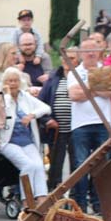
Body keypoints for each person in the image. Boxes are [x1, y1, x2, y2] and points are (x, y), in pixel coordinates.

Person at [67, 35, 111, 213]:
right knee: (81, 166)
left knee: (102, 165)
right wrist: (98, 88)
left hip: (103, 123)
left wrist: (87, 89)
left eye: (93, 49)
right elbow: (74, 96)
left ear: (99, 51)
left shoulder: (106, 69)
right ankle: (81, 205)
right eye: (86, 50)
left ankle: (98, 203)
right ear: (80, 53)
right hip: (80, 125)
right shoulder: (74, 72)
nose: (90, 53)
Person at [0, 68, 51, 199]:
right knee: (28, 165)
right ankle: (27, 200)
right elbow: (6, 112)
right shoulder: (1, 98)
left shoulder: (25, 97)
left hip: (27, 141)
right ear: (5, 82)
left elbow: (46, 108)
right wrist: (8, 95)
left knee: (39, 166)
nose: (13, 83)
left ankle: (41, 198)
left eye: (15, 80)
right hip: (8, 142)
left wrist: (32, 115)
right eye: (9, 81)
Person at [38, 46, 78, 190]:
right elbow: (40, 102)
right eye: (65, 57)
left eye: (72, 58)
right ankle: (53, 195)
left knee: (77, 164)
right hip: (57, 129)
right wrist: (47, 120)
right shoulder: (54, 78)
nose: (67, 61)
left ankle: (75, 196)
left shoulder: (81, 76)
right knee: (55, 165)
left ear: (78, 60)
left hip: (76, 129)